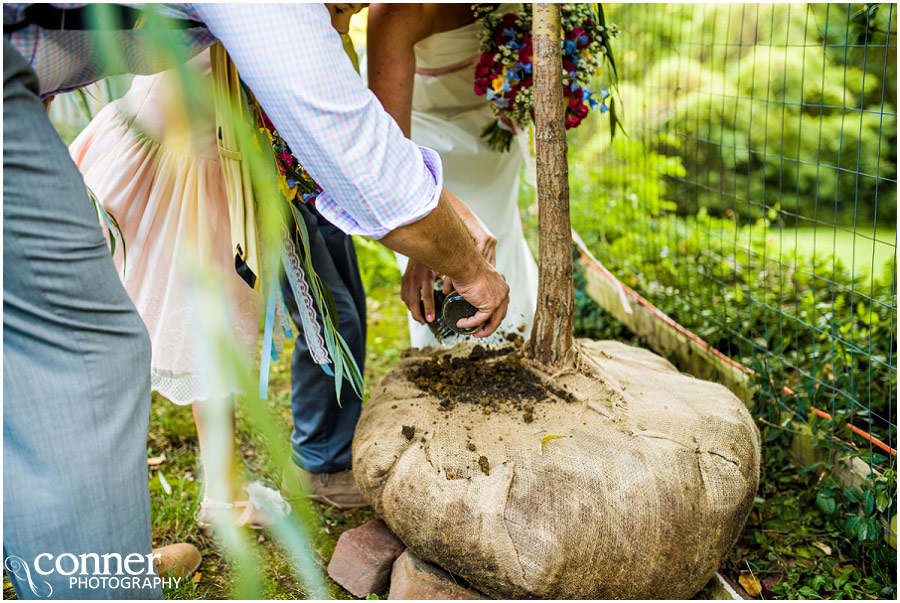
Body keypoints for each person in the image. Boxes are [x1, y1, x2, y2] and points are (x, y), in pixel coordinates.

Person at [3, 3, 509, 599]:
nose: (351, 13)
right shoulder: (270, 14)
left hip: (84, 112)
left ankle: (94, 545)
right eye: (347, 4)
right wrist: (463, 259)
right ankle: (96, 565)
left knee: (114, 343)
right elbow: (332, 137)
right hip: (182, 168)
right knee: (98, 353)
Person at [368, 3, 539, 348]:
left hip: (493, 135)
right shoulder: (394, 11)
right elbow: (391, 148)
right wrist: (422, 237)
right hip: (424, 142)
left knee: (500, 234)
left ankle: (521, 339)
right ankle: (446, 357)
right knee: (439, 267)